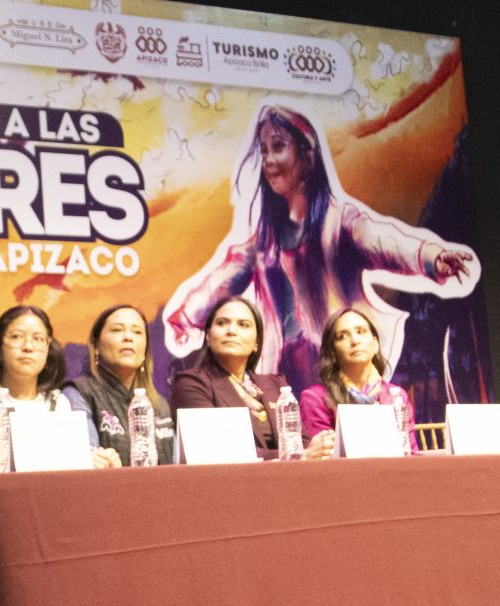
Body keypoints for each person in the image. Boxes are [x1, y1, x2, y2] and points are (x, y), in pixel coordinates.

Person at [164, 102, 478, 394]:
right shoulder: (264, 242)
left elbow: (385, 241)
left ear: (308, 154)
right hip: (283, 375)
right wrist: (187, 316)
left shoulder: (340, 223)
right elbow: (223, 278)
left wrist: (431, 258)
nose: (268, 161)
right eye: (264, 151)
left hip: (340, 367)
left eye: (278, 147)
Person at [0, 304, 114, 468]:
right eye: (16, 337)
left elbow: (73, 457)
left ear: (48, 349)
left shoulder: (57, 401)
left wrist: (97, 459)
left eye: (38, 339)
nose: (28, 347)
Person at [168, 295, 290, 456]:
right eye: (222, 323)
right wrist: (287, 456)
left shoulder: (276, 385)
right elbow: (218, 450)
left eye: (243, 325)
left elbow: (301, 440)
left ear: (256, 343)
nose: (232, 331)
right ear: (208, 337)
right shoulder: (191, 384)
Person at [295, 305, 415, 456]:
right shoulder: (315, 398)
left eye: (361, 332)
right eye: (342, 336)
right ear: (332, 351)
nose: (355, 341)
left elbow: (410, 453)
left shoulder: (396, 396)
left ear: (375, 344)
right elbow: (324, 457)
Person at [69, 302, 173, 466]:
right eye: (117, 330)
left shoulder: (160, 405)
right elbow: (86, 460)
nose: (128, 337)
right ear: (96, 345)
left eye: (137, 332)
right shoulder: (79, 393)